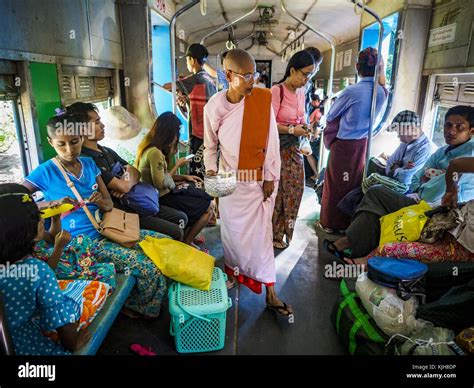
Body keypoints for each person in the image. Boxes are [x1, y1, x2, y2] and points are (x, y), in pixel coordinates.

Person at [22, 113, 168, 319]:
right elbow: (16, 199)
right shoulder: (45, 172)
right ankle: (139, 310)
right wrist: (50, 204)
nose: (69, 150)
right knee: (147, 266)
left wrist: (101, 201)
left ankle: (146, 302)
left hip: (105, 228)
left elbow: (108, 204)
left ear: (81, 137)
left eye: (74, 142)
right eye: (61, 144)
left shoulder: (89, 163)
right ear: (50, 142)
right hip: (81, 244)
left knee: (164, 243)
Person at [204, 49, 293, 317]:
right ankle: (233, 272)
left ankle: (271, 293)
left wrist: (270, 176)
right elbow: (210, 147)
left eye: (255, 75)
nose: (252, 82)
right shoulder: (215, 106)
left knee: (262, 237)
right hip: (228, 179)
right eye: (246, 76)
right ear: (228, 75)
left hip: (257, 182)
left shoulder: (261, 101)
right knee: (231, 233)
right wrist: (211, 176)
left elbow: (271, 143)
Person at [325, 105, 474, 263]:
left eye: (459, 127)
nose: (451, 131)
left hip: (434, 208)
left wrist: (409, 173)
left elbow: (424, 186)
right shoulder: (441, 151)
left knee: (375, 193)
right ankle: (355, 251)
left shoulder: (458, 153)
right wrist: (409, 172)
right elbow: (414, 176)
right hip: (418, 197)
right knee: (369, 201)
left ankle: (350, 246)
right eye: (448, 125)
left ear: (471, 130)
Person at [66, 102, 188, 242]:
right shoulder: (88, 160)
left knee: (181, 218)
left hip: (137, 203)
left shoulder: (106, 151)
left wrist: (125, 181)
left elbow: (134, 171)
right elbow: (123, 185)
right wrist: (125, 182)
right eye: (97, 122)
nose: (103, 126)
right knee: (176, 232)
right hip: (121, 213)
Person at [0, 184, 91, 355]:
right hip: (21, 344)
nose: (42, 220)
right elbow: (61, 322)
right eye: (38, 218)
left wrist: (56, 219)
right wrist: (73, 343)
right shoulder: (37, 270)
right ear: (25, 231)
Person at [318, 47, 388, 233]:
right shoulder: (382, 92)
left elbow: (332, 114)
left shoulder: (352, 91)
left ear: (357, 67)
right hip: (363, 143)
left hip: (343, 145)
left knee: (335, 184)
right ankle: (346, 223)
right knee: (354, 182)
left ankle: (330, 223)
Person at [136, 112, 213, 247]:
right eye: (176, 132)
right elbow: (160, 183)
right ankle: (187, 242)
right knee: (207, 207)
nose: (177, 136)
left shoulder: (150, 148)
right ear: (169, 133)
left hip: (162, 194)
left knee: (196, 190)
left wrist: (184, 177)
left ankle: (190, 236)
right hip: (160, 198)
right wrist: (178, 165)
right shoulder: (155, 153)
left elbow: (163, 176)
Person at [271, 50, 316, 249]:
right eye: (305, 74)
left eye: (310, 75)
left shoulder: (301, 93)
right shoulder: (276, 91)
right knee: (279, 193)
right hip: (278, 150)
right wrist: (291, 129)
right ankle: (274, 234)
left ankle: (286, 230)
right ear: (292, 70)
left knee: (295, 191)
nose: (306, 80)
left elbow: (302, 117)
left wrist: (306, 128)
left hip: (295, 150)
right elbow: (268, 123)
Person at [163, 43, 217, 178]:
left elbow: (166, 87)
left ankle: (199, 195)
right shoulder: (209, 78)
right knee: (208, 168)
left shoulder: (194, 79)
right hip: (211, 131)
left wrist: (179, 83)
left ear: (192, 60)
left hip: (199, 134)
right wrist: (186, 101)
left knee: (197, 170)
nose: (187, 63)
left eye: (187, 60)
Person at [378, 110, 432, 185]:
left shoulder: (425, 149)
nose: (398, 136)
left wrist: (396, 167)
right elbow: (388, 166)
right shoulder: (405, 143)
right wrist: (402, 168)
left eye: (398, 131)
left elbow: (406, 179)